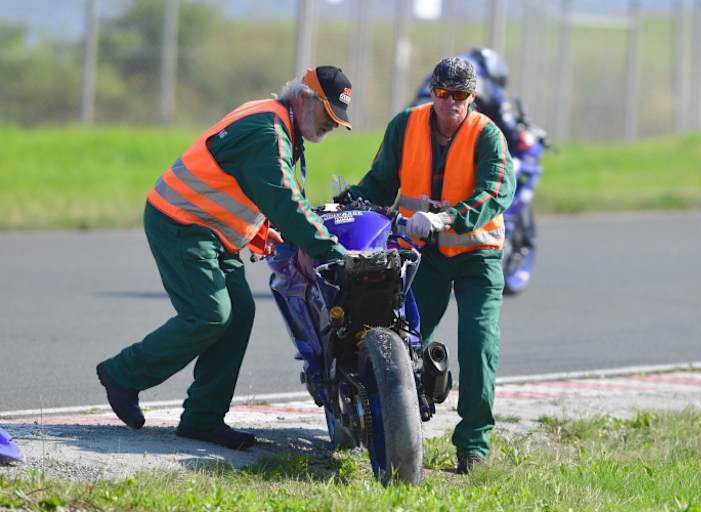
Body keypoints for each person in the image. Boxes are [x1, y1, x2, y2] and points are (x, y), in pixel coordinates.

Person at [96, 66, 353, 450]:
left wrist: (260, 231)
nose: (331, 125)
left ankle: (202, 418)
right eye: (327, 115)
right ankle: (122, 374)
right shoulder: (267, 132)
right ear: (303, 98)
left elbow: (246, 188)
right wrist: (334, 254)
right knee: (210, 314)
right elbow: (283, 199)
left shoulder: (279, 123)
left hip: (213, 229)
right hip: (182, 221)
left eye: (337, 119)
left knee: (239, 315)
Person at [337, 57, 516, 473]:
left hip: (478, 256)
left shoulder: (487, 136)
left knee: (478, 343)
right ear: (431, 92)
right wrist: (344, 204)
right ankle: (390, 426)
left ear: (471, 98)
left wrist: (446, 217)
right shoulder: (405, 125)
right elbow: (379, 181)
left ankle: (473, 444)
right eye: (442, 93)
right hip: (425, 256)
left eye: (460, 95)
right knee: (403, 340)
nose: (450, 103)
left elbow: (495, 192)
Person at [413, 48, 524, 153]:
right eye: (442, 93)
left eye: (459, 94)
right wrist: (517, 133)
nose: (450, 100)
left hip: (418, 128)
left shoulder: (445, 68)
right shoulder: (479, 74)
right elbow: (502, 112)